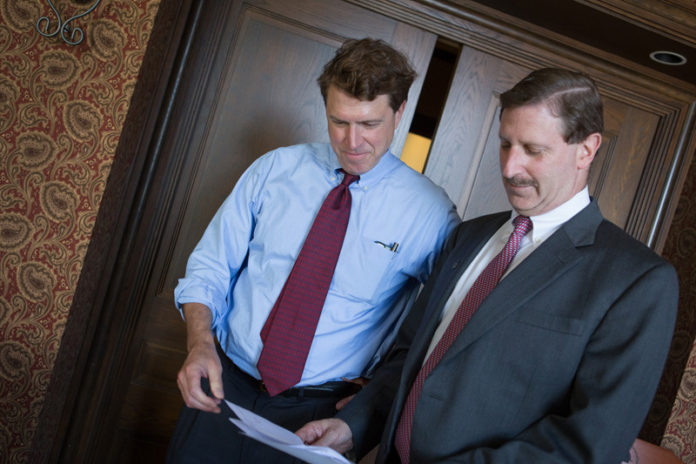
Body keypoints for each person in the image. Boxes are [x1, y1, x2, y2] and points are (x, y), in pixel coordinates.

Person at [297, 68, 679, 463]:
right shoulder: (469, 236)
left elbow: (589, 444)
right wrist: (353, 426)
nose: (510, 168)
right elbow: (411, 355)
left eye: (533, 150)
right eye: (505, 144)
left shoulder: (638, 280)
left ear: (586, 149)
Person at [166, 38, 459, 463]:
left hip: (317, 418)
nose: (353, 140)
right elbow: (209, 266)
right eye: (339, 122)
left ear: (399, 113)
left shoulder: (430, 215)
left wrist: (373, 402)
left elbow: (440, 327)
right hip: (222, 386)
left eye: (370, 124)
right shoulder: (275, 170)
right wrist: (199, 344)